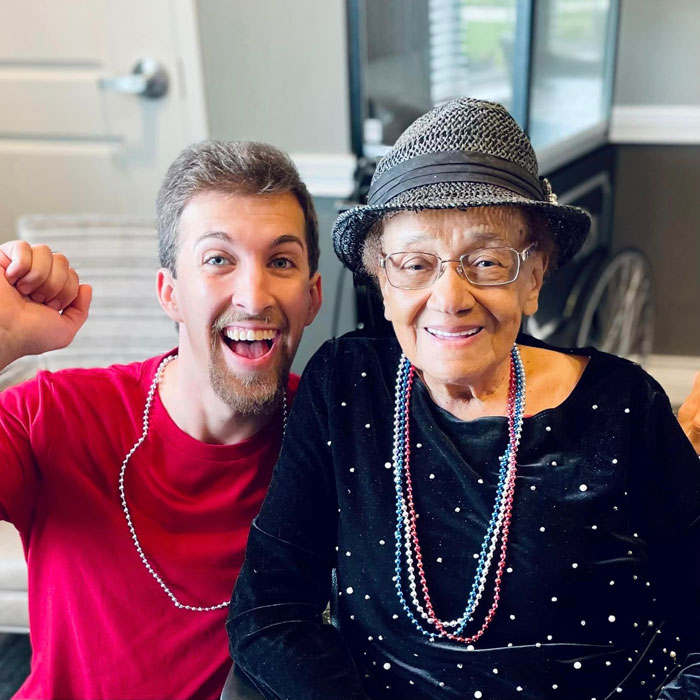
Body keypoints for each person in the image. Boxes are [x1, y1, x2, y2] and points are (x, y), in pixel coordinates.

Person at [227, 98, 700, 700]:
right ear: (382, 281)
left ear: (533, 278)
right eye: (416, 264)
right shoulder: (347, 387)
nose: (449, 298)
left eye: (486, 261)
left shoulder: (622, 405)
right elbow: (270, 609)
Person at [0, 140, 322, 699]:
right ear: (169, 293)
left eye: (281, 261)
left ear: (312, 297)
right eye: (218, 260)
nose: (252, 295)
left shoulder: (339, 442)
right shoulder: (53, 416)